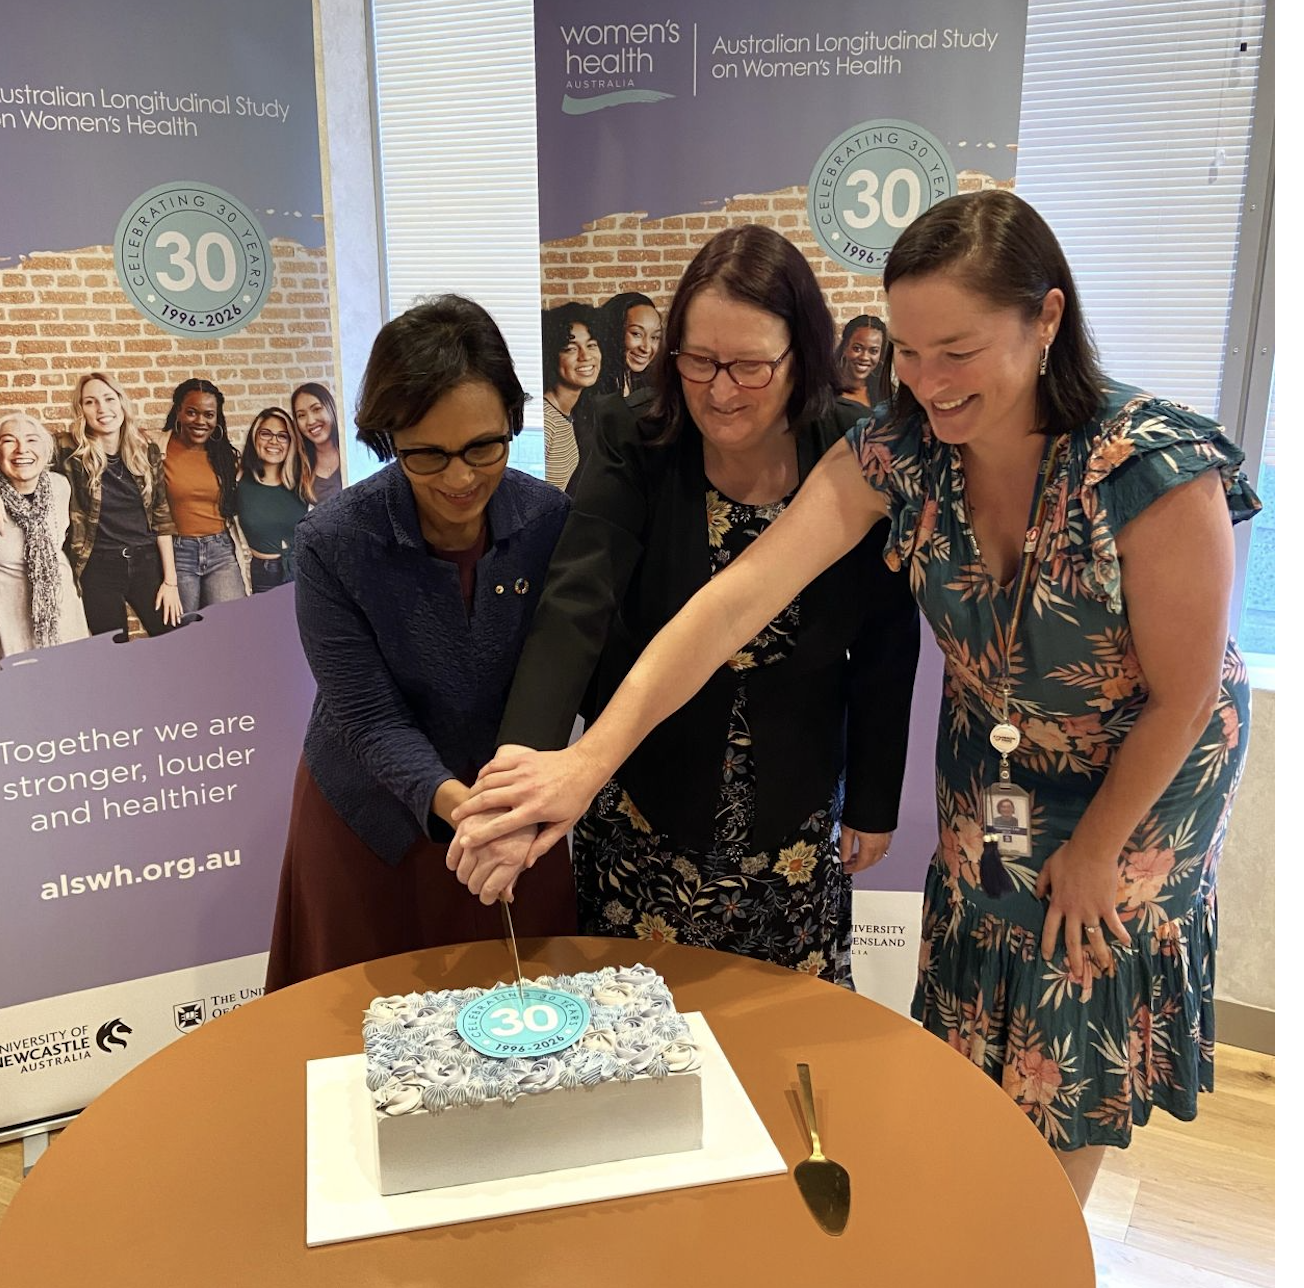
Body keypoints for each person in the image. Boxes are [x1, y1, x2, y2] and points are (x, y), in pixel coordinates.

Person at [451, 190, 1258, 1204]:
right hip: (996, 760)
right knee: (972, 997)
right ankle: (965, 1209)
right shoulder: (902, 449)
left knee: (1065, 998)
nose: (925, 384)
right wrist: (584, 760)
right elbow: (729, 604)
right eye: (907, 354)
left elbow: (1183, 701)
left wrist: (1094, 850)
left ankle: (1040, 1231)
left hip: (1139, 776)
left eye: (954, 351)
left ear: (1045, 318)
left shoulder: (1152, 469)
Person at [452, 224, 919, 989]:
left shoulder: (855, 451)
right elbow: (578, 601)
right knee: (634, 1031)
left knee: (778, 1022)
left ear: (802, 354)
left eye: (748, 366)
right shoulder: (634, 435)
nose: (720, 390)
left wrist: (872, 796)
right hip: (647, 794)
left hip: (792, 799)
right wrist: (522, 781)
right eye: (698, 361)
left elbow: (884, 641)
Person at [264, 294, 577, 990]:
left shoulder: (549, 520)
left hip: (510, 810)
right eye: (426, 456)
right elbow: (369, 719)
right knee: (363, 1039)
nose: (461, 478)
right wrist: (463, 810)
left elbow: (569, 669)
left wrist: (509, 810)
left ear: (513, 422)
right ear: (387, 438)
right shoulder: (333, 542)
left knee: (530, 1028)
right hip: (372, 821)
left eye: (483, 448)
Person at [53, 372, 182, 638]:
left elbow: (162, 517)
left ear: (122, 403)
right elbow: (19, 455)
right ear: (81, 410)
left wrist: (171, 581)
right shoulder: (67, 450)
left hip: (147, 563)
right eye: (90, 402)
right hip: (98, 568)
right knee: (113, 652)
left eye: (109, 398)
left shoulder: (146, 451)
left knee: (174, 640)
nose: (102, 408)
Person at [0, 413, 88, 655]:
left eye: (31, 440)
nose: (21, 449)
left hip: (64, 609)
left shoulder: (61, 486)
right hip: (9, 619)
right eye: (8, 441)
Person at [162, 378, 248, 614]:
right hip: (179, 553)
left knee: (233, 626)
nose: (201, 421)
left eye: (209, 415)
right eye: (191, 412)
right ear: (178, 412)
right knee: (184, 635)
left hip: (220, 550)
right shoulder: (157, 449)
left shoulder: (224, 456)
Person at [236, 407, 312, 593]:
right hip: (263, 574)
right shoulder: (237, 479)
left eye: (282, 436)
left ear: (290, 442)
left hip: (302, 569)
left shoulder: (303, 480)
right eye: (266, 434)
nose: (274, 441)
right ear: (255, 437)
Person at [540, 302, 602, 490]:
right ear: (552, 355)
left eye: (591, 345)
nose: (585, 356)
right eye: (570, 348)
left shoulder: (567, 414)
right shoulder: (546, 421)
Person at [596, 291, 663, 399]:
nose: (646, 348)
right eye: (636, 334)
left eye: (654, 337)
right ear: (614, 332)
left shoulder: (653, 383)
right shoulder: (588, 385)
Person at [291, 382, 344, 505]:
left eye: (316, 409)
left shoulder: (353, 452)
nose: (310, 421)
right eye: (301, 415)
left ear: (330, 407)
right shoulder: (300, 465)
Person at [835, 314, 888, 406]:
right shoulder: (825, 394)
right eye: (857, 349)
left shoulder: (886, 392)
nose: (864, 357)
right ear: (845, 347)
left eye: (874, 351)